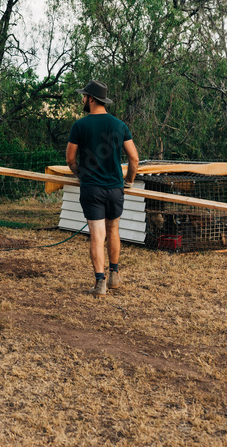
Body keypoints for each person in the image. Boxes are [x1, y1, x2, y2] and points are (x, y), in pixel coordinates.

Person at [65, 80, 139, 297]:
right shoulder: (119, 125)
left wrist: (82, 176)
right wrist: (129, 181)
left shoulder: (80, 126)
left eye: (84, 96)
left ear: (91, 99)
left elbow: (70, 160)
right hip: (115, 188)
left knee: (97, 236)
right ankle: (114, 275)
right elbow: (134, 159)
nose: (82, 99)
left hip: (92, 189)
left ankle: (100, 284)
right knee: (113, 230)